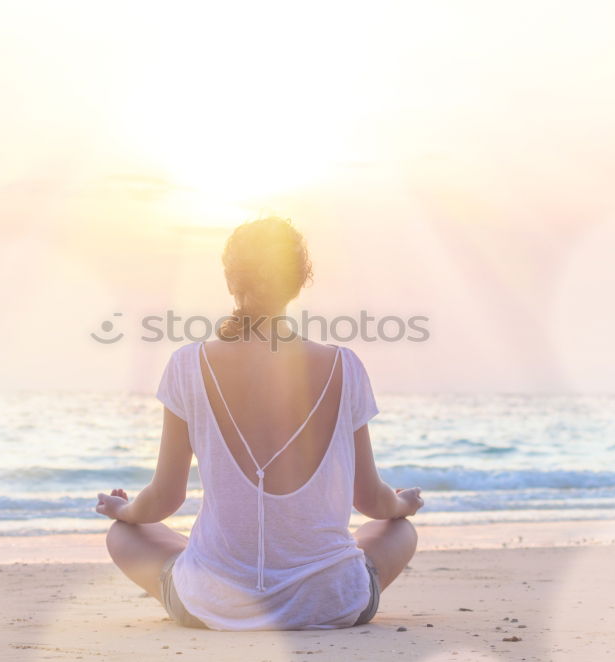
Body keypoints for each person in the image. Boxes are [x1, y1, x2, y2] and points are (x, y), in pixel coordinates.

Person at [97, 216, 423, 631]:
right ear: (299, 281)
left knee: (124, 535)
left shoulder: (187, 364)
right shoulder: (344, 365)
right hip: (331, 603)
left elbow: (164, 499)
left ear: (232, 280)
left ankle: (221, 571)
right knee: (398, 531)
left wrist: (124, 510)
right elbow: (371, 503)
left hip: (215, 606)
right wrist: (404, 505)